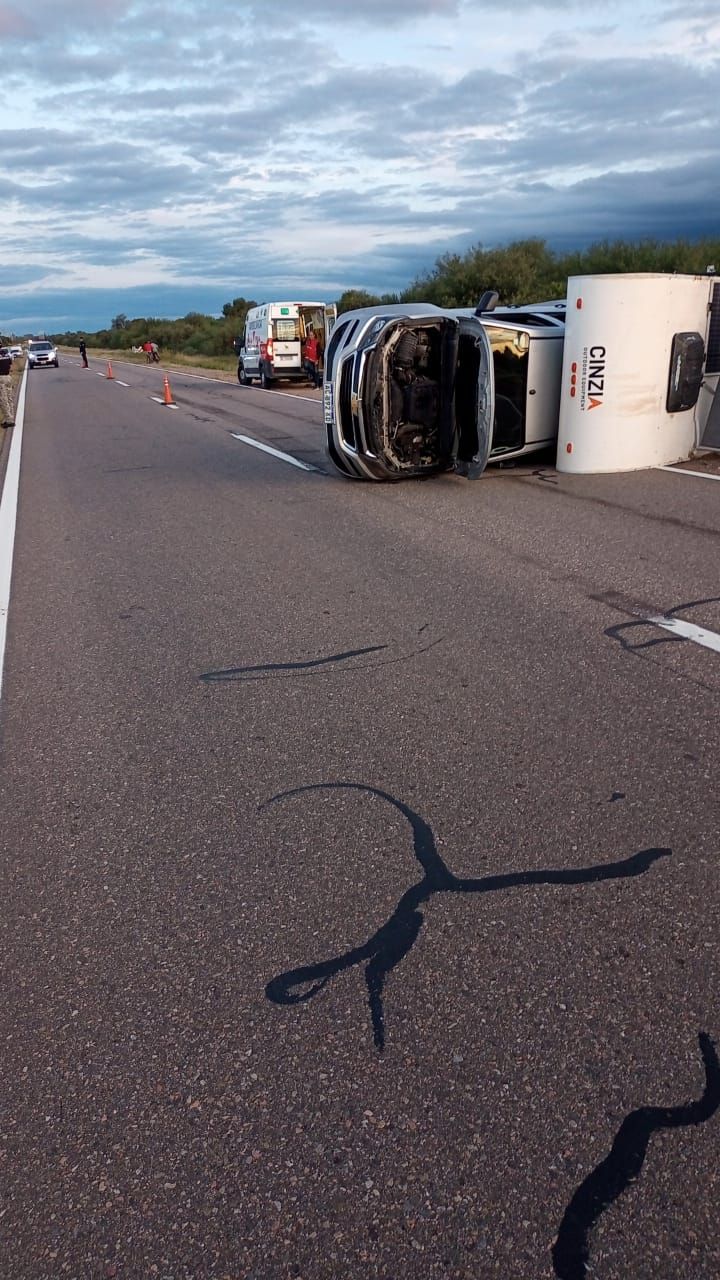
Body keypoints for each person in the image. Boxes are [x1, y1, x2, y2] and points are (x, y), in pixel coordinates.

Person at [0, 347, 15, 428]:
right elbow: (10, 364)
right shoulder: (6, 354)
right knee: (9, 398)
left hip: (1, 378)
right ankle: (11, 417)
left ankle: (9, 419)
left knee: (3, 399)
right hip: (8, 377)